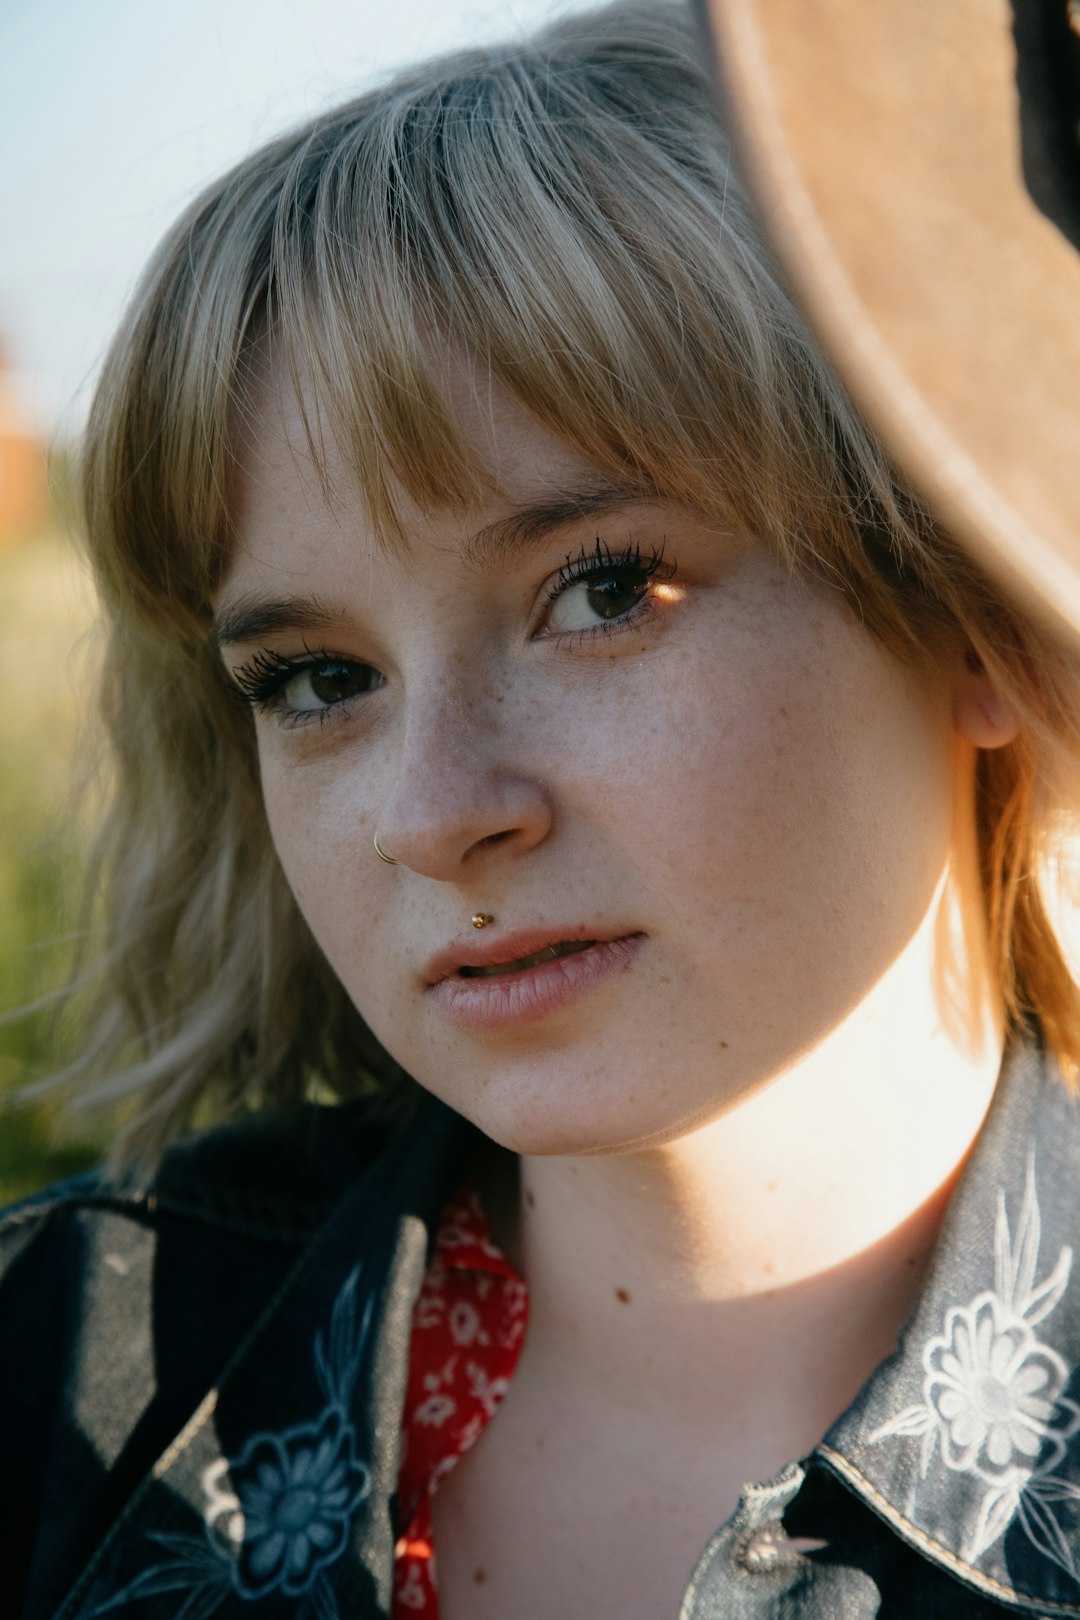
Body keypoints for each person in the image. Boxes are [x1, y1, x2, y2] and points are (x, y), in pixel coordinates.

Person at [5, 3, 1080, 1616]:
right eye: (316, 677)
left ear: (978, 603)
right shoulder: (58, 1361)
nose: (433, 812)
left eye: (602, 589)